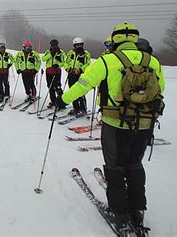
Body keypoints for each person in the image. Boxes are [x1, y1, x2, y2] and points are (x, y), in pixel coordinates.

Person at [55, 22, 165, 234]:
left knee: (115, 167)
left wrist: (62, 100)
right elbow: (161, 88)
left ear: (115, 39)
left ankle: (120, 215)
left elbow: (83, 85)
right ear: (135, 38)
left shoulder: (107, 60)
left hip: (115, 124)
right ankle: (137, 210)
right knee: (134, 165)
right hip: (144, 124)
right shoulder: (153, 61)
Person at [64, 37, 91, 115]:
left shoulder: (86, 53)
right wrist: (68, 68)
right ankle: (76, 107)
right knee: (72, 91)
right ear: (74, 45)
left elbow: (88, 63)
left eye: (80, 44)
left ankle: (83, 108)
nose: (79, 46)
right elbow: (66, 62)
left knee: (81, 91)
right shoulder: (70, 53)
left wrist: (80, 69)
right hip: (71, 75)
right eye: (77, 45)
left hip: (81, 76)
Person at [41, 39, 66, 108]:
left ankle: (62, 102)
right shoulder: (48, 51)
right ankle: (53, 101)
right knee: (50, 87)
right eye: (52, 45)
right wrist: (50, 54)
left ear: (57, 45)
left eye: (55, 45)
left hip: (56, 72)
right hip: (49, 72)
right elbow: (43, 59)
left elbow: (64, 62)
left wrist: (58, 65)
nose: (53, 47)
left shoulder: (61, 52)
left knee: (57, 87)